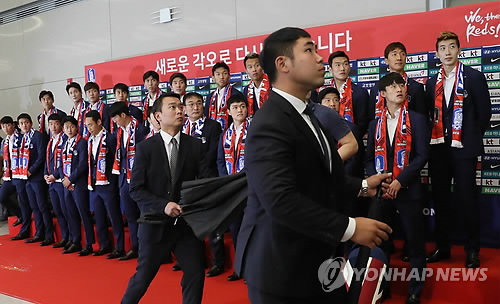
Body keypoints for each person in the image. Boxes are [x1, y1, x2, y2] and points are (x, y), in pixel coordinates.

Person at [233, 27, 392, 304]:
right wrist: (352, 228)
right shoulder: (269, 123)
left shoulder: (309, 114)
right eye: (309, 50)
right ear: (282, 64)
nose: (321, 58)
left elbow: (321, 177)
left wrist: (365, 186)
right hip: (283, 270)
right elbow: (281, 200)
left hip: (320, 261)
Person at [122, 92, 209, 304]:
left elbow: (205, 182)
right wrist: (164, 205)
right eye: (173, 107)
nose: (180, 110)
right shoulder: (145, 148)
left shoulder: (195, 145)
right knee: (143, 277)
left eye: (181, 107)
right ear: (158, 116)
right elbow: (136, 189)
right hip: (154, 225)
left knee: (195, 274)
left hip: (185, 226)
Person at [425, 31, 491, 269]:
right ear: (437, 54)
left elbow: (485, 114)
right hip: (439, 152)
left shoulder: (474, 77)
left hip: (465, 150)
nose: (448, 52)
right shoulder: (432, 82)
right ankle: (443, 247)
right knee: (441, 201)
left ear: (459, 50)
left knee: (467, 200)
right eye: (443, 48)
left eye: (452, 47)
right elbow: (429, 117)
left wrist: (468, 137)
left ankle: (472, 250)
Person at [366, 72, 428, 304]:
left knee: (415, 242)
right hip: (382, 192)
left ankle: (415, 290)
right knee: (380, 243)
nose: (399, 89)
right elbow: (369, 158)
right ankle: (382, 287)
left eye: (401, 85)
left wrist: (400, 182)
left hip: (408, 190)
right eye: (392, 86)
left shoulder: (418, 119)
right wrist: (378, 179)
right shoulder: (375, 124)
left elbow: (422, 156)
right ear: (383, 94)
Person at [173, 92, 222, 274]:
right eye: (191, 104)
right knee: (186, 223)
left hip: (205, 179)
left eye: (199, 103)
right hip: (185, 182)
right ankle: (192, 260)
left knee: (210, 222)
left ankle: (217, 262)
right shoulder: (180, 127)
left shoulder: (213, 126)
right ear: (184, 108)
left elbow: (211, 154)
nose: (196, 107)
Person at [216, 94, 251, 281]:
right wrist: (227, 182)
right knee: (236, 229)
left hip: (250, 187)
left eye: (242, 106)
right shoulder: (225, 133)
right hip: (232, 190)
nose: (239, 110)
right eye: (235, 107)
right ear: (228, 111)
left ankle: (252, 269)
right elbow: (220, 161)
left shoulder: (254, 130)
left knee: (251, 229)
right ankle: (240, 268)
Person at [109, 101, 149, 261]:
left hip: (139, 180)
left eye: (115, 118)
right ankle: (135, 247)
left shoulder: (141, 130)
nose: (114, 122)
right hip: (124, 179)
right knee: (131, 215)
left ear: (123, 115)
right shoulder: (119, 133)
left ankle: (148, 249)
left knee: (144, 216)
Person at [85, 110, 125, 259]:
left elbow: (117, 161)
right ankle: (104, 245)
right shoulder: (89, 140)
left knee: (114, 217)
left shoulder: (110, 138)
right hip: (94, 184)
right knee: (99, 217)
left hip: (108, 184)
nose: (89, 128)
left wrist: (114, 183)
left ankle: (119, 247)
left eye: (91, 125)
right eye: (86, 126)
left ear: (99, 122)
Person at [16, 113, 53, 245]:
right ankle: (39, 233)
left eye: (26, 122)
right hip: (27, 179)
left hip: (36, 177)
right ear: (19, 126)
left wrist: (31, 171)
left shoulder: (38, 136)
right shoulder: (22, 139)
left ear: (31, 123)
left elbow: (42, 157)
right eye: (21, 123)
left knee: (43, 206)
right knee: (34, 207)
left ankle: (49, 235)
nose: (24, 125)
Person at [60, 116, 95, 256]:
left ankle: (89, 244)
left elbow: (82, 165)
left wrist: (71, 179)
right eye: (66, 127)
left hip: (78, 184)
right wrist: (64, 179)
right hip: (66, 184)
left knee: (83, 214)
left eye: (72, 126)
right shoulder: (65, 143)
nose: (69, 129)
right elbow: (61, 163)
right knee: (71, 214)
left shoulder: (82, 143)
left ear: (77, 127)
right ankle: (75, 241)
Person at [368, 42, 428, 122]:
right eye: (394, 54)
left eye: (402, 54)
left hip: (409, 132)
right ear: (386, 61)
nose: (399, 58)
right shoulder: (377, 88)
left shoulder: (416, 87)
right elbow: (371, 119)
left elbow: (422, 118)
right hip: (382, 131)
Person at [43, 113, 70, 248]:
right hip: (51, 182)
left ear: (61, 125)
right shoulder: (51, 140)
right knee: (58, 211)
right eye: (51, 124)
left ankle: (71, 237)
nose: (53, 126)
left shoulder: (65, 140)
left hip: (60, 180)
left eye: (56, 124)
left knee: (66, 210)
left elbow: (63, 162)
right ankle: (64, 237)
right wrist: (45, 175)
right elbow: (47, 160)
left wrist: (55, 175)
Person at [328, 50, 370, 136]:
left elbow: (363, 125)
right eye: (337, 65)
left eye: (345, 64)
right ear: (330, 69)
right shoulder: (325, 94)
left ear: (349, 67)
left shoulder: (360, 92)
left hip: (354, 141)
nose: (342, 68)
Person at [314, 87, 359, 163]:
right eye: (328, 100)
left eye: (336, 100)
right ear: (319, 104)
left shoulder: (351, 127)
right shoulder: (313, 125)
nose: (332, 104)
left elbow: (354, 161)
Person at [203, 62, 243, 131]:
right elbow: (206, 116)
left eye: (224, 73)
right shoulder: (210, 97)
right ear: (213, 78)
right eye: (218, 74)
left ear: (229, 76)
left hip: (230, 133)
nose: (221, 77)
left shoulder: (235, 94)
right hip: (212, 133)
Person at [0, 117, 23, 231]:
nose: (6, 128)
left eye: (8, 125)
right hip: (9, 175)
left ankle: (26, 220)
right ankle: (20, 214)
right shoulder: (4, 141)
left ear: (13, 126)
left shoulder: (21, 139)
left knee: (23, 199)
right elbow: (2, 157)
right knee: (2, 197)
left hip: (20, 174)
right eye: (3, 126)